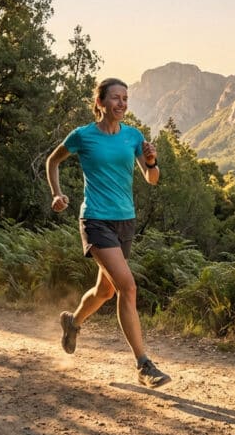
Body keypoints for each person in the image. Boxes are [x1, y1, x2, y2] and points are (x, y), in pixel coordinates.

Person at [46, 77, 171, 388]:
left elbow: (151, 178)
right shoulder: (83, 136)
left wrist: (152, 161)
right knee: (127, 287)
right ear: (100, 103)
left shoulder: (133, 137)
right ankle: (144, 365)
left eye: (125, 98)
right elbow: (53, 161)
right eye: (115, 98)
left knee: (106, 291)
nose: (122, 103)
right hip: (95, 220)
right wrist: (57, 194)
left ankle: (72, 322)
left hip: (125, 221)